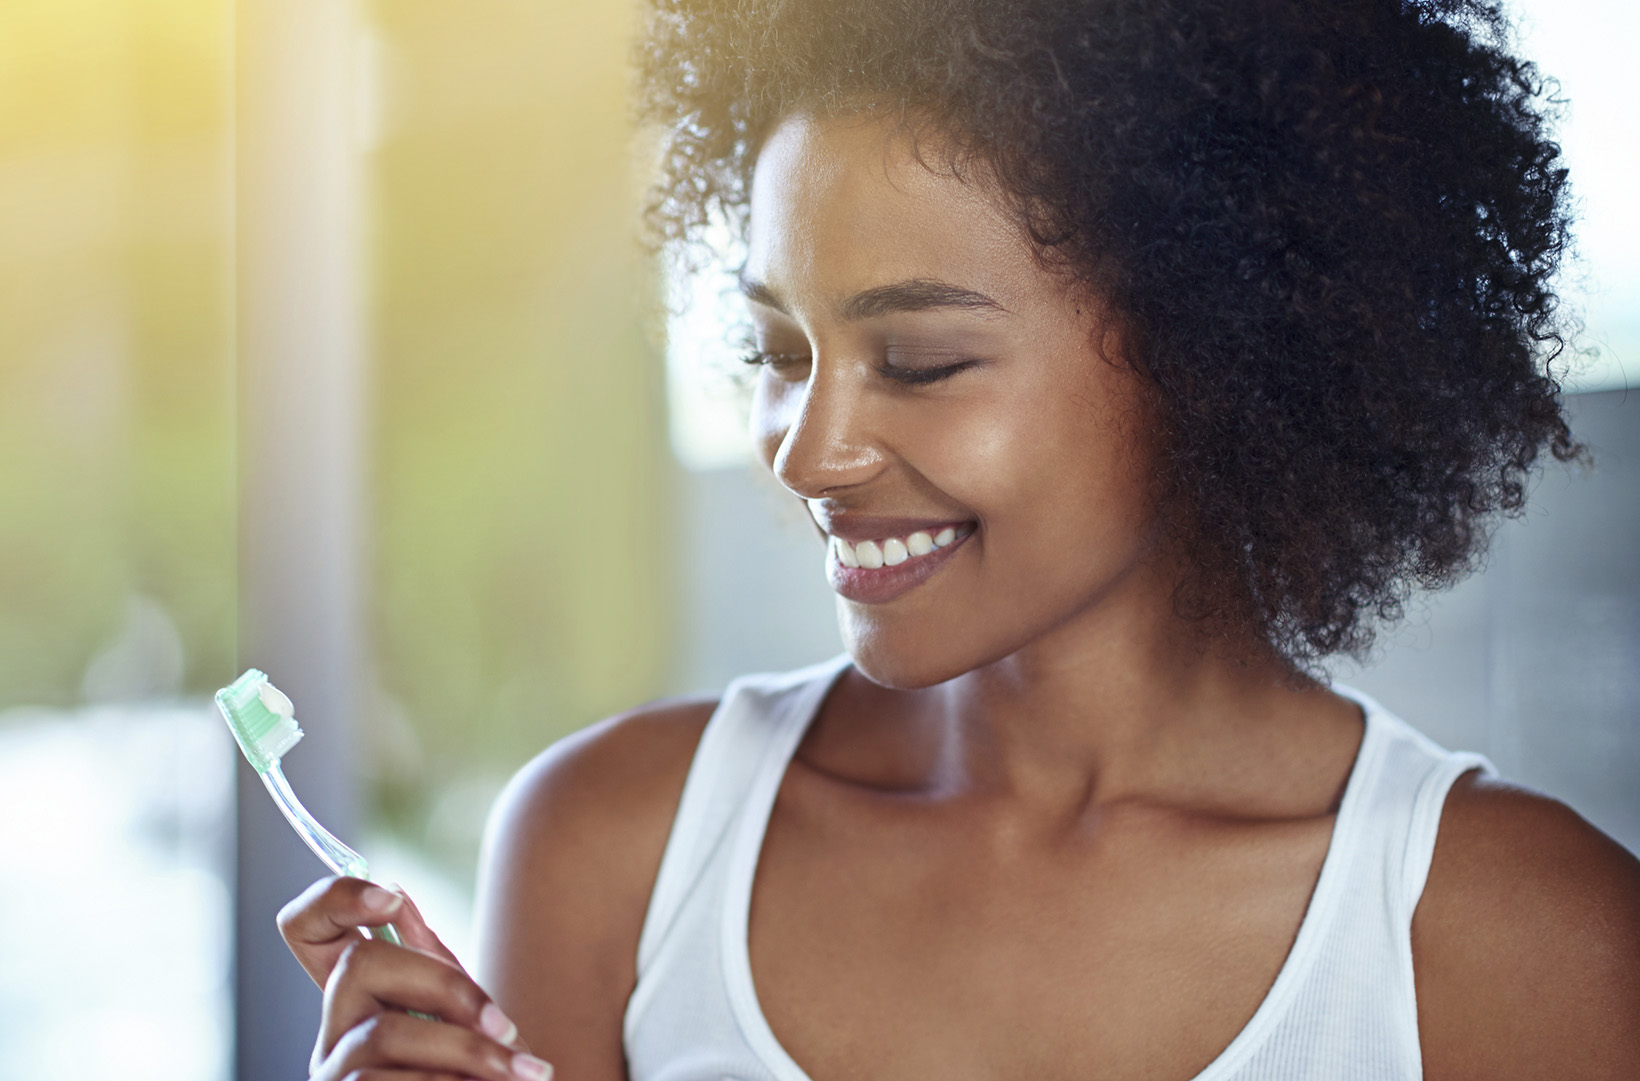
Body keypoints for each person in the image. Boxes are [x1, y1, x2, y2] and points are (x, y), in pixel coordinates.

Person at [278, 0, 1640, 1077]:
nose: (810, 452)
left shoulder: (1524, 946)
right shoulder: (613, 854)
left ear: (1221, 345)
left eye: (919, 361)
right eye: (778, 350)